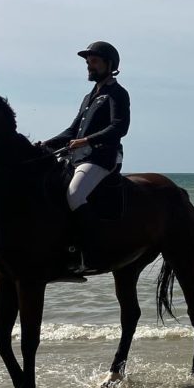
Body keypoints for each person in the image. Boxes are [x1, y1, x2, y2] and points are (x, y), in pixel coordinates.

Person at [43, 41, 130, 271]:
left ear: (109, 64)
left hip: (102, 158)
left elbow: (120, 127)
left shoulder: (117, 93)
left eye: (94, 62)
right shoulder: (89, 97)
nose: (89, 67)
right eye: (88, 63)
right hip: (78, 158)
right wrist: (45, 145)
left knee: (74, 195)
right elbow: (72, 131)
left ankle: (90, 252)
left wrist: (87, 140)